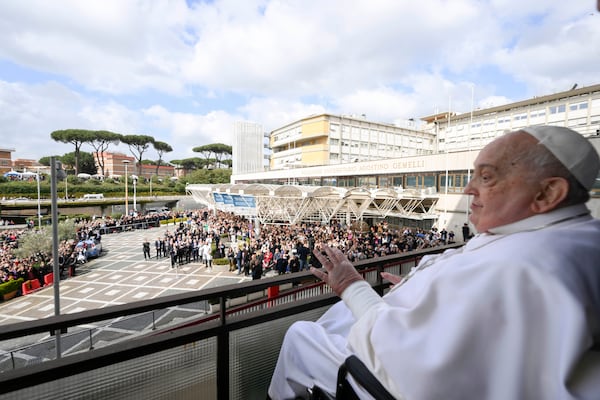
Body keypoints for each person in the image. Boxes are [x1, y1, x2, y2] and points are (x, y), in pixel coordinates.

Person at [268, 126, 600, 399]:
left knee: (301, 334)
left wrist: (350, 285)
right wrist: (423, 290)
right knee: (340, 314)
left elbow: (412, 365)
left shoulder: (521, 264)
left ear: (547, 193)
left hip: (391, 381)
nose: (469, 189)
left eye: (486, 177)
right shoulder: (567, 234)